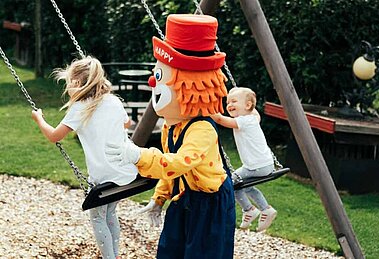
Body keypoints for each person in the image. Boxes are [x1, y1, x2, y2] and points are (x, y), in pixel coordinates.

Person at [105, 14, 235, 258]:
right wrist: (160, 198)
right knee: (169, 250)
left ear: (190, 86)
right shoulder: (171, 127)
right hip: (183, 196)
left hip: (209, 204)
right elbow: (171, 169)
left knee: (203, 253)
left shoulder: (202, 130)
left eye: (161, 77)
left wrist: (139, 156)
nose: (153, 81)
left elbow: (178, 163)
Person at [31, 56, 138, 259]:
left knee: (98, 218)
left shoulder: (80, 108)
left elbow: (54, 136)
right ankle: (114, 255)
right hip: (126, 172)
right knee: (111, 213)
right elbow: (127, 124)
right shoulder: (114, 101)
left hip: (103, 178)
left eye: (68, 84)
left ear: (78, 83)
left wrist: (39, 119)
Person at [211, 87, 277, 232]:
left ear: (247, 106)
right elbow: (254, 111)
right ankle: (266, 209)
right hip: (265, 165)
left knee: (231, 183)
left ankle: (249, 210)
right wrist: (239, 93)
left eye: (234, 101)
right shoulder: (254, 118)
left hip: (254, 166)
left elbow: (221, 120)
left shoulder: (244, 121)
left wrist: (207, 109)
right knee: (246, 187)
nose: (229, 105)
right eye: (228, 102)